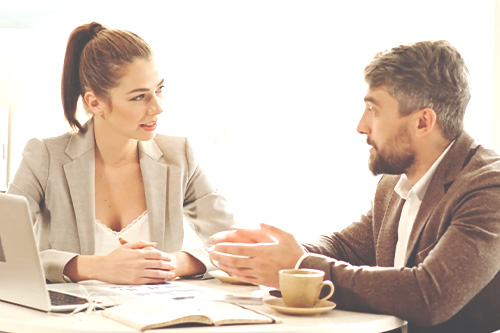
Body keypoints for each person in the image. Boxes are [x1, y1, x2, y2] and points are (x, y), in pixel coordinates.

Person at [209, 40, 500, 333]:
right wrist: (270, 258)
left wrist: (299, 264)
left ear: (423, 122)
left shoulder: (489, 187)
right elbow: (345, 248)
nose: (361, 126)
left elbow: (430, 295)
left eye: (373, 110)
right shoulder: (394, 184)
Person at [7, 22, 235, 285]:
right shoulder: (46, 157)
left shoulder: (179, 156)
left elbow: (235, 245)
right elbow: (7, 252)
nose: (157, 107)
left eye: (159, 89)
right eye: (139, 97)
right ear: (95, 103)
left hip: (154, 318)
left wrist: (173, 263)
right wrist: (94, 267)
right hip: (72, 320)